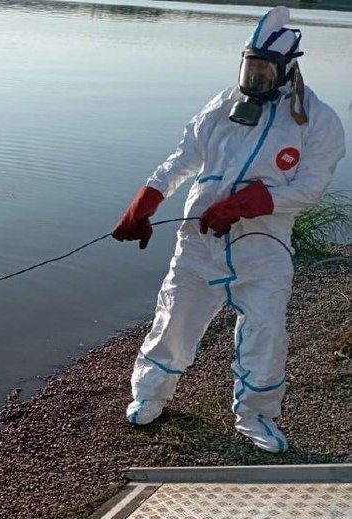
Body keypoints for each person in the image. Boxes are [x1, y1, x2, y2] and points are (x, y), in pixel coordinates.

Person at [111, 5, 346, 453]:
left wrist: (246, 205)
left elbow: (311, 187)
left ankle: (256, 415)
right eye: (249, 67)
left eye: (263, 70)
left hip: (265, 246)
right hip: (200, 238)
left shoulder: (318, 121)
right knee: (174, 317)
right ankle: (149, 396)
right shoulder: (223, 105)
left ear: (287, 69)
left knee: (266, 329)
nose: (253, 77)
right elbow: (183, 156)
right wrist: (148, 199)